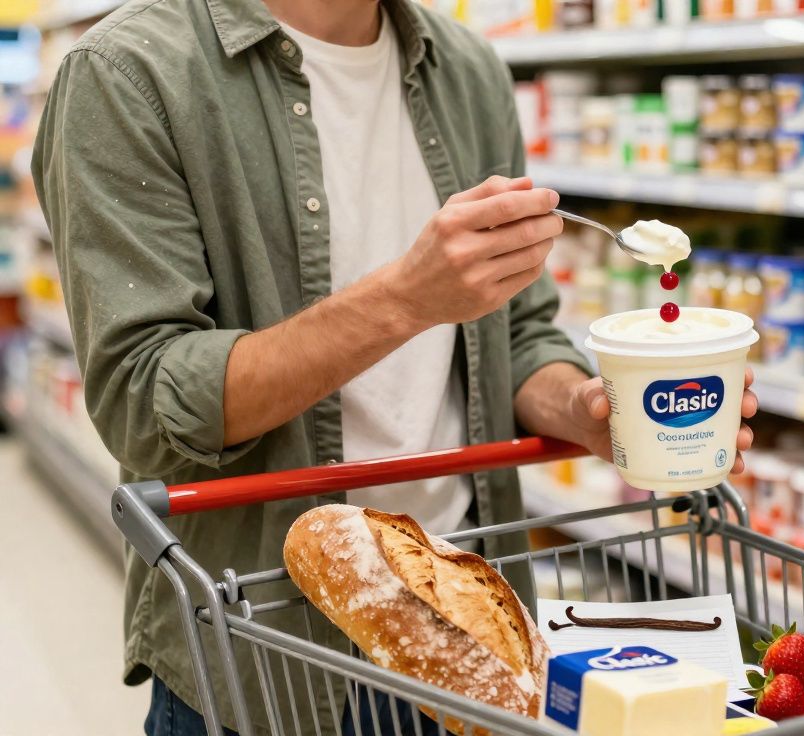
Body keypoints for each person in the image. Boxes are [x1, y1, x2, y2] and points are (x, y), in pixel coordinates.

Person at [31, 0, 757, 733]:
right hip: (273, 659)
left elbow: (520, 334)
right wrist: (406, 299)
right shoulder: (128, 75)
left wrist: (592, 408)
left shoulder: (466, 69)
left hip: (474, 634)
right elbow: (144, 401)